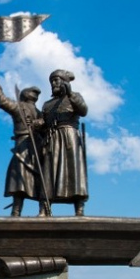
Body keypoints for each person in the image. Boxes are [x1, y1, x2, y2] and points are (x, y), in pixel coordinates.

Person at [0, 75, 43, 217]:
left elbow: (2, 101)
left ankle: (18, 211)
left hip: (27, 147)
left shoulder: (24, 108)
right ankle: (40, 211)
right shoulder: (37, 112)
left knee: (21, 178)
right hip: (34, 147)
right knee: (26, 178)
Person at [40, 69, 88, 216]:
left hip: (70, 137)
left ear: (65, 82)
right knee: (49, 172)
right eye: (52, 81)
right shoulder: (47, 104)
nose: (54, 83)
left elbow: (83, 110)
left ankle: (79, 208)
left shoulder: (74, 96)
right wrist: (36, 123)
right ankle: (44, 208)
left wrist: (71, 94)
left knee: (74, 170)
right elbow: (44, 122)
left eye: (56, 80)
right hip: (53, 139)